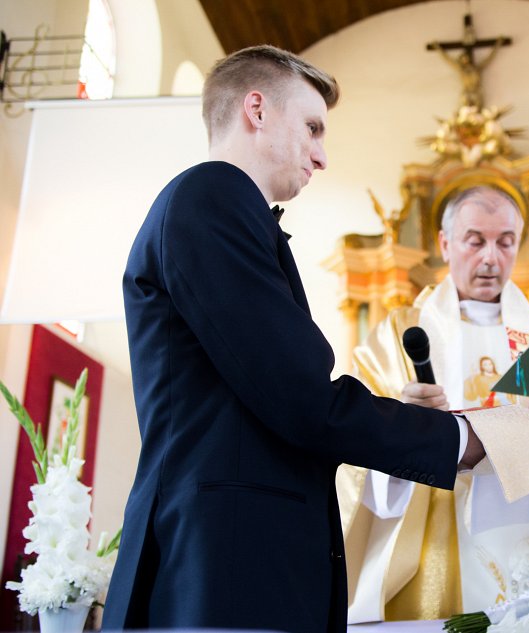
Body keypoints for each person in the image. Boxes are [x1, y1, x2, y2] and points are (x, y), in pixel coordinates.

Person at [102, 45, 483, 633]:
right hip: (226, 565)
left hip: (241, 555)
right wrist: (454, 438)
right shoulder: (211, 197)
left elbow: (265, 391)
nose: (322, 155)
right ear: (256, 109)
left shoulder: (228, 210)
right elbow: (298, 396)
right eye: (312, 128)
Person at [339, 186, 529, 623]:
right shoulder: (397, 334)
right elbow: (354, 435)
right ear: (445, 244)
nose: (491, 258)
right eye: (475, 241)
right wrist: (402, 424)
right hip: (437, 536)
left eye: (506, 242)